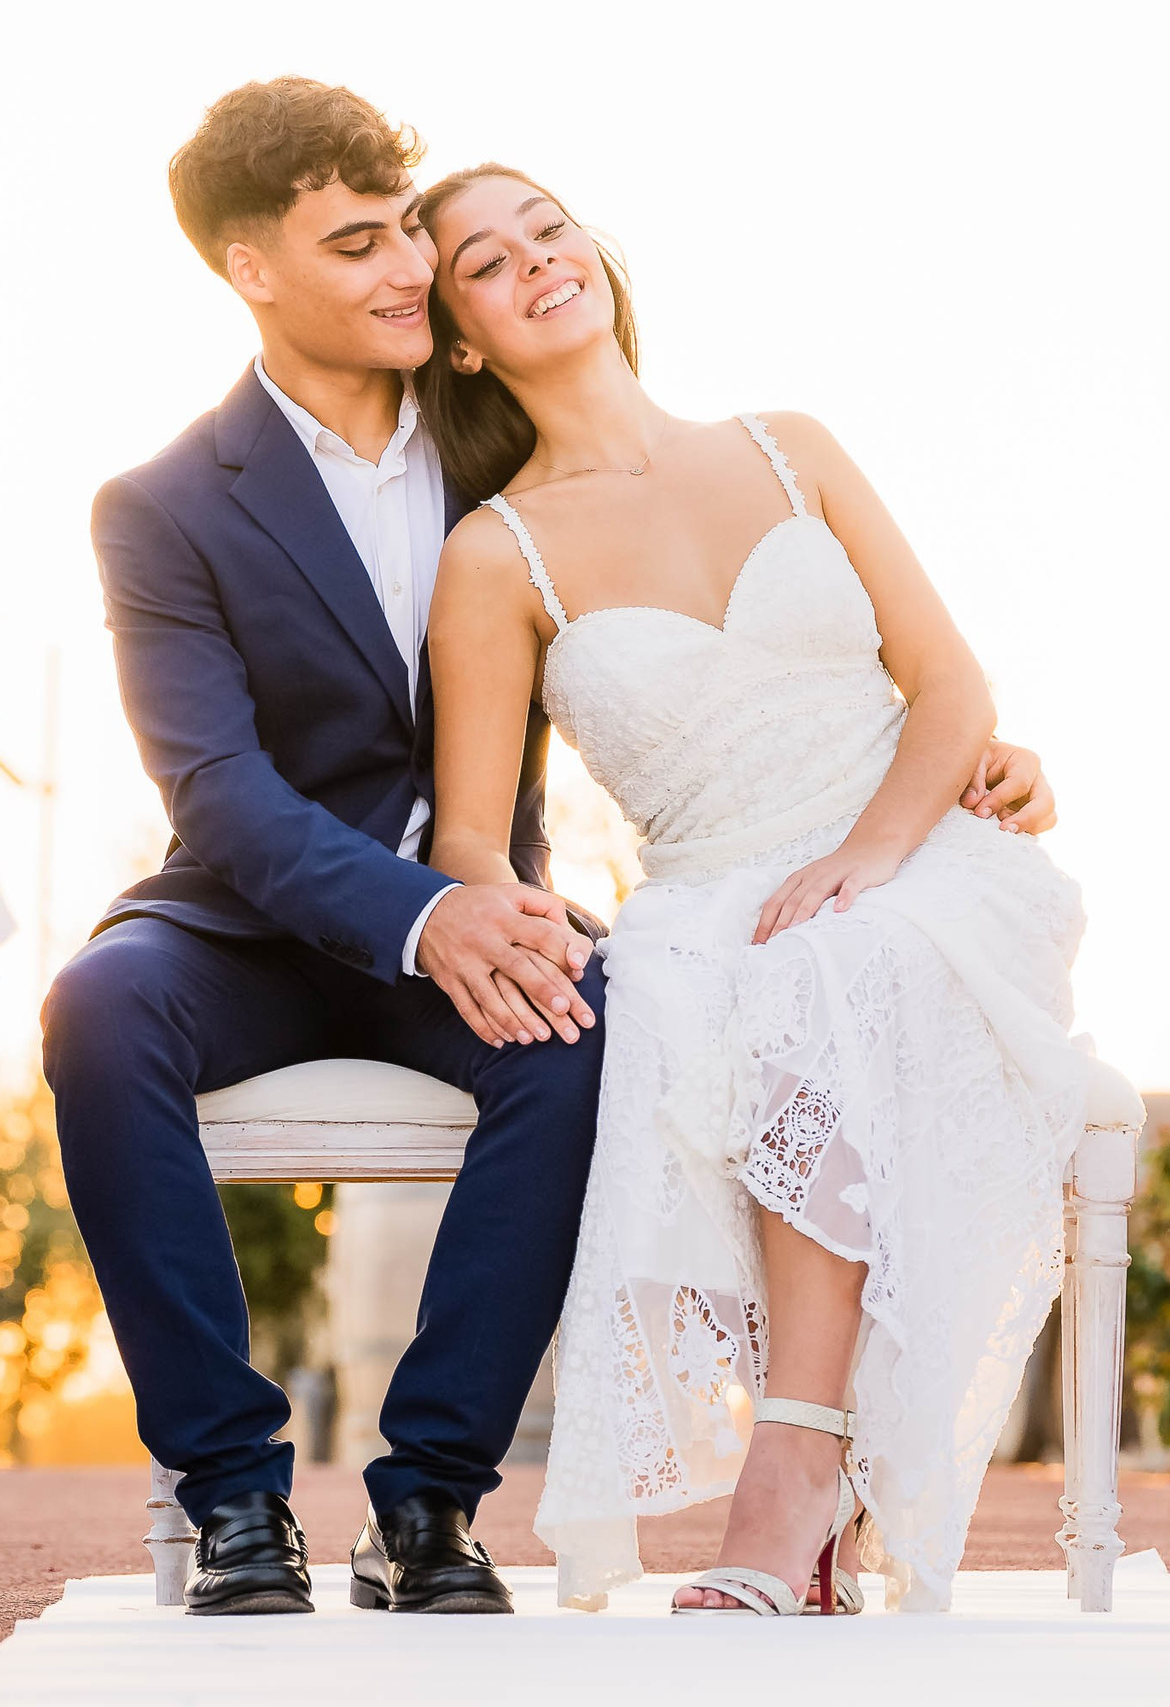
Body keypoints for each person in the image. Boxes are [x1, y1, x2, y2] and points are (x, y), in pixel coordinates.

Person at [55, 80, 1053, 1617]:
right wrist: (425, 913)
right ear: (254, 270)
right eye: (357, 245)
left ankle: (430, 1505)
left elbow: (765, 646)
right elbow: (221, 792)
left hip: (487, 908)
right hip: (252, 920)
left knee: (583, 1035)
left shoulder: (503, 460)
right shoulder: (166, 507)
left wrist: (939, 760)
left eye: (408, 235)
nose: (403, 268)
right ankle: (235, 1493)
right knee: (100, 1009)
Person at [415, 163, 1115, 1616]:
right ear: (461, 337)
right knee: (698, 992)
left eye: (549, 225)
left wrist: (871, 851)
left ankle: (790, 1480)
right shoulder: (496, 554)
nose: (539, 256)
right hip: (702, 892)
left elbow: (948, 685)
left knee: (830, 963)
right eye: (488, 260)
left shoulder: (788, 445)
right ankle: (816, 1483)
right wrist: (522, 924)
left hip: (923, 857)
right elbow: (471, 837)